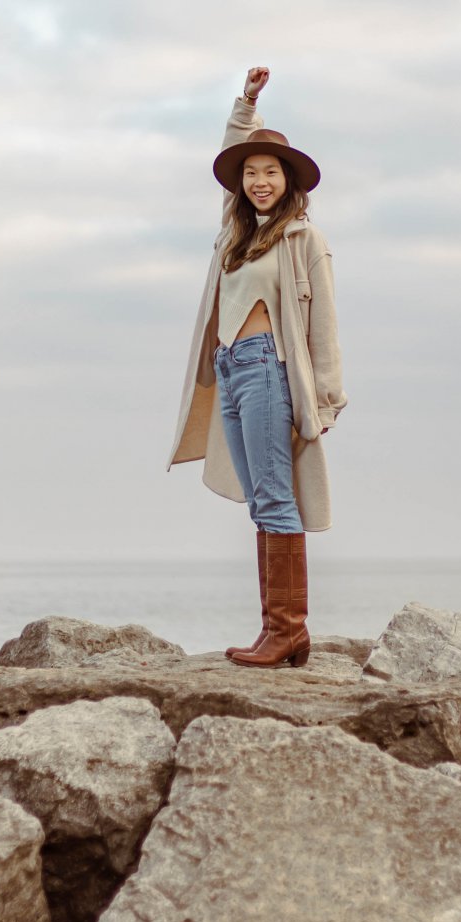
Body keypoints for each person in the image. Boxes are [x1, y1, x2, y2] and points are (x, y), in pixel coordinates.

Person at [167, 66, 347, 668]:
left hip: (270, 370)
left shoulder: (303, 239)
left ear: (289, 181)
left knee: (275, 499)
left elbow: (323, 325)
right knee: (260, 501)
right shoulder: (235, 233)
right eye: (250, 173)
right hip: (231, 372)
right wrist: (246, 103)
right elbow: (231, 145)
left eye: (270, 172)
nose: (259, 182)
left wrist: (325, 399)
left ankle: (287, 630)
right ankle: (281, 632)